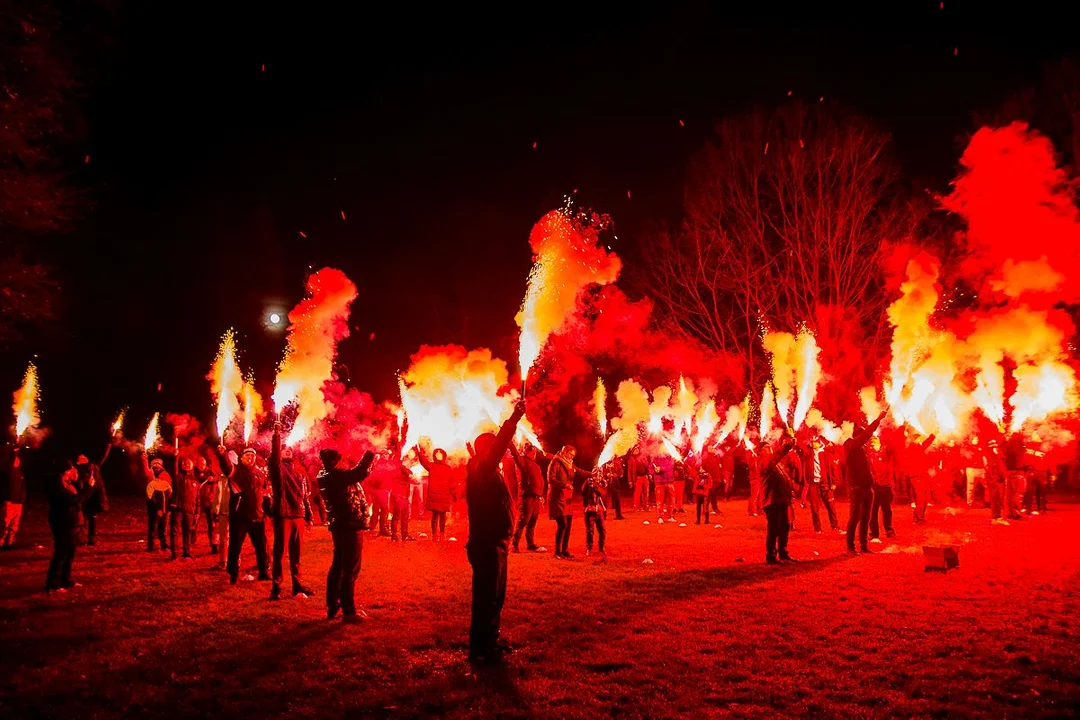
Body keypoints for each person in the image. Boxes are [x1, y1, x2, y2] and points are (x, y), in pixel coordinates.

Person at [465, 399, 525, 664]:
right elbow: (498, 448)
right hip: (487, 544)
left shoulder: (489, 472)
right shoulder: (480, 469)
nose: (501, 453)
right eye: (495, 448)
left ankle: (491, 640)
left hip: (499, 542)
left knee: (496, 597)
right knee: (486, 597)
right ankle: (479, 648)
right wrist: (513, 420)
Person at [318, 447, 376, 622]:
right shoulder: (334, 476)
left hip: (341, 525)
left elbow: (359, 473)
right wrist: (370, 453)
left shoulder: (327, 475)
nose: (343, 462)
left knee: (338, 566)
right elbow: (359, 472)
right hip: (349, 525)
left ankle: (333, 605)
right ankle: (348, 611)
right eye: (339, 459)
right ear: (334, 461)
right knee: (350, 568)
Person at [269, 423, 316, 600]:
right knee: (280, 552)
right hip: (283, 514)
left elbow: (304, 495)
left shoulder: (299, 471)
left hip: (298, 514)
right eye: (283, 449)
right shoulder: (277, 468)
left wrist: (309, 515)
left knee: (296, 554)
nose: (287, 451)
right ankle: (276, 588)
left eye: (289, 449)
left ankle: (297, 586)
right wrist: (277, 435)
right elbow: (274, 458)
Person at [217, 445, 270, 584]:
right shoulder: (235, 471)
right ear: (241, 458)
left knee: (261, 546)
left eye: (252, 456)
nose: (250, 458)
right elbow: (226, 465)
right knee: (235, 546)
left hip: (257, 515)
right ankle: (233, 574)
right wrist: (222, 454)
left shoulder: (260, 473)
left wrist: (266, 509)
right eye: (247, 456)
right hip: (240, 516)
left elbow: (263, 493)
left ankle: (264, 572)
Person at [45, 460, 96, 591]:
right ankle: (53, 584)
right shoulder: (57, 486)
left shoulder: (67, 484)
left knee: (69, 553)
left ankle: (66, 580)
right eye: (70, 469)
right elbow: (75, 500)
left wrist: (84, 484)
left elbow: (78, 495)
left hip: (72, 522)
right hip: (63, 522)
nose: (72, 471)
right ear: (65, 472)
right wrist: (90, 489)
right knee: (61, 553)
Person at [844, 410, 887, 555]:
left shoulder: (861, 448)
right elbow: (866, 434)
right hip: (856, 489)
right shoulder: (850, 445)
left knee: (866, 519)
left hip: (867, 489)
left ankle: (863, 546)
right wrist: (878, 419)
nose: (866, 438)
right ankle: (850, 547)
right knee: (854, 518)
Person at [761, 435, 798, 564]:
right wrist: (787, 446)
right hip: (771, 501)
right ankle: (771, 556)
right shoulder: (764, 463)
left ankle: (783, 553)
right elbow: (777, 456)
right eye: (766, 448)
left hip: (781, 500)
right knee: (774, 529)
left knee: (784, 527)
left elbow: (785, 479)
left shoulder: (776, 464)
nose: (770, 449)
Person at [548, 445, 590, 559]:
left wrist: (592, 474)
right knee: (563, 524)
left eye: (573, 455)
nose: (572, 457)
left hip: (567, 498)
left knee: (569, 524)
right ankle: (557, 551)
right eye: (570, 454)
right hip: (557, 497)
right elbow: (550, 479)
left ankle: (565, 550)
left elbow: (579, 472)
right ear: (564, 452)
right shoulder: (556, 462)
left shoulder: (570, 464)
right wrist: (564, 485)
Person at [75, 440, 114, 546]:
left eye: (84, 456)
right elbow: (80, 484)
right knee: (83, 518)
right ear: (79, 461)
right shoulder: (78, 471)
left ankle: (91, 538)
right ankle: (82, 538)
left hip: (94, 497)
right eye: (81, 457)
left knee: (92, 518)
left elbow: (103, 457)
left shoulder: (94, 466)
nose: (84, 457)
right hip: (85, 497)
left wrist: (108, 446)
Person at [510, 444, 546, 552]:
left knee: (532, 522)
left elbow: (539, 481)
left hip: (536, 497)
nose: (534, 453)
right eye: (531, 451)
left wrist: (541, 495)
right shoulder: (522, 461)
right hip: (527, 496)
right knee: (523, 521)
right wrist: (511, 442)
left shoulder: (535, 465)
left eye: (534, 451)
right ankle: (514, 545)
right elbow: (515, 454)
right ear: (526, 452)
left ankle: (530, 545)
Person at [800, 438, 838, 533]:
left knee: (830, 505)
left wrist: (834, 482)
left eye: (815, 442)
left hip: (825, 483)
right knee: (814, 507)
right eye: (812, 442)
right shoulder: (808, 453)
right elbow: (800, 445)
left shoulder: (826, 453)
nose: (813, 443)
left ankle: (835, 526)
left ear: (819, 443)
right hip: (813, 483)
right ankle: (817, 528)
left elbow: (833, 468)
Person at [418, 446, 454, 542]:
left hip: (444, 494)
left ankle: (442, 535)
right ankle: (435, 536)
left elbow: (451, 482)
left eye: (440, 454)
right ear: (434, 456)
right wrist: (419, 453)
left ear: (443, 456)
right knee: (435, 516)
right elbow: (424, 462)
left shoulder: (447, 468)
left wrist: (454, 493)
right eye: (437, 454)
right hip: (435, 495)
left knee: (442, 516)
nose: (438, 455)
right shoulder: (432, 466)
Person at [169, 457, 200, 560]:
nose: (186, 465)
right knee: (175, 531)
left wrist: (197, 511)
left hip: (190, 510)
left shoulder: (195, 480)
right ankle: (175, 553)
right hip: (178, 509)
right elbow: (174, 469)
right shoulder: (178, 477)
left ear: (192, 466)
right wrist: (175, 457)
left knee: (187, 531)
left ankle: (187, 552)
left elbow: (198, 498)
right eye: (184, 463)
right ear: (181, 465)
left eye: (188, 463)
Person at [868, 437, 896, 542]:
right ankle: (874, 533)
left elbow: (893, 446)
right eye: (871, 443)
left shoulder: (885, 452)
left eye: (874, 443)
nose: (872, 445)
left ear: (879, 443)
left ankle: (889, 531)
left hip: (885, 487)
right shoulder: (869, 456)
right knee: (873, 512)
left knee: (887, 510)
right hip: (874, 488)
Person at [143, 455, 172, 552]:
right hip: (154, 505)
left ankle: (164, 544)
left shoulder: (165, 475)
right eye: (154, 463)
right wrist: (144, 459)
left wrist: (168, 505)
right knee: (153, 525)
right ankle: (151, 546)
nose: (156, 465)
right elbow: (145, 469)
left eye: (158, 463)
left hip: (165, 505)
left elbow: (169, 490)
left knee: (163, 526)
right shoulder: (150, 474)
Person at [196, 456, 222, 555]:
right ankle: (191, 541)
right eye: (199, 464)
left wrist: (213, 479)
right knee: (194, 521)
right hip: (197, 501)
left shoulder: (210, 471)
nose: (201, 466)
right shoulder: (194, 472)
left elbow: (218, 478)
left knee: (212, 524)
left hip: (209, 501)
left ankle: (213, 545)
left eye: (203, 464)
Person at [1, 445, 26, 548]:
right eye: (16, 459)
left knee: (15, 525)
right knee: (5, 524)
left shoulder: (20, 472)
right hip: (9, 502)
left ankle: (10, 542)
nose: (18, 461)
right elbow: (12, 459)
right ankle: (1, 542)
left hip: (18, 502)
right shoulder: (9, 471)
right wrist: (15, 452)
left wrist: (22, 500)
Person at [581, 471, 607, 561]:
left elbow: (603, 493)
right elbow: (583, 493)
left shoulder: (601, 483)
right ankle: (589, 548)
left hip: (598, 510)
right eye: (597, 475)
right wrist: (590, 486)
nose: (599, 476)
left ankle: (601, 548)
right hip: (589, 510)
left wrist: (595, 487)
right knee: (590, 531)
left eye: (600, 475)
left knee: (602, 531)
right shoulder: (588, 482)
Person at [653, 452, 677, 523]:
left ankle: (671, 516)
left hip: (670, 481)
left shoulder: (670, 457)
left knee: (671, 500)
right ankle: (660, 517)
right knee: (660, 501)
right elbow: (651, 468)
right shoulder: (655, 457)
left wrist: (660, 469)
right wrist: (655, 470)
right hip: (659, 482)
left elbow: (670, 467)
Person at [628, 446, 651, 512]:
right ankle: (636, 507)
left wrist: (649, 474)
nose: (636, 451)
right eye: (634, 450)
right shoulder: (631, 460)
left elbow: (647, 466)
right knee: (637, 493)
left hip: (645, 476)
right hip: (638, 478)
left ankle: (645, 506)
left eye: (637, 449)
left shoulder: (643, 457)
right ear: (632, 452)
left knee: (646, 492)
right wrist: (630, 481)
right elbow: (629, 471)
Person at [691, 455, 713, 524]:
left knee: (705, 507)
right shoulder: (698, 475)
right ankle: (698, 520)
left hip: (704, 494)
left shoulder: (708, 476)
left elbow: (710, 485)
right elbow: (692, 472)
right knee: (698, 507)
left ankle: (706, 520)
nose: (700, 469)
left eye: (701, 468)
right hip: (698, 493)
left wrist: (704, 486)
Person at [606, 456, 625, 520]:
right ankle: (603, 515)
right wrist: (606, 474)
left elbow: (621, 472)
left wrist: (616, 475)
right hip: (605, 482)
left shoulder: (616, 462)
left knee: (617, 498)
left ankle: (618, 515)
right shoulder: (604, 459)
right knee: (603, 498)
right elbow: (601, 470)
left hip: (614, 482)